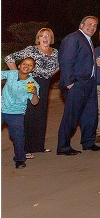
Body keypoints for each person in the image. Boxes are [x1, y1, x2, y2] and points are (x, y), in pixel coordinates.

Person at [5, 27, 59, 156]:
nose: (45, 38)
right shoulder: (31, 50)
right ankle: (23, 149)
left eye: (48, 36)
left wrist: (50, 75)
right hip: (30, 83)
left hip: (45, 85)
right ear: (38, 38)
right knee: (28, 115)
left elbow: (60, 65)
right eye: (42, 36)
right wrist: (17, 75)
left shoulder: (55, 52)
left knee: (40, 115)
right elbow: (9, 58)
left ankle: (38, 146)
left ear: (51, 39)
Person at [57, 15, 100, 156]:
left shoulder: (88, 40)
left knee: (90, 115)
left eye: (95, 25)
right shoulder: (73, 38)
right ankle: (63, 147)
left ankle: (88, 142)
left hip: (89, 83)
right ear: (81, 25)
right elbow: (66, 61)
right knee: (71, 116)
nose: (92, 27)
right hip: (77, 84)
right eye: (89, 24)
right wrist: (69, 82)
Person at [2, 58, 40, 168]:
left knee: (18, 136)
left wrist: (34, 93)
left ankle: (19, 160)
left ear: (33, 69)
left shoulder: (32, 84)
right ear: (19, 66)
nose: (26, 66)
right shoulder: (11, 74)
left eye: (30, 65)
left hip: (16, 113)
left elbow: (34, 102)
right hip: (1, 108)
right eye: (24, 64)